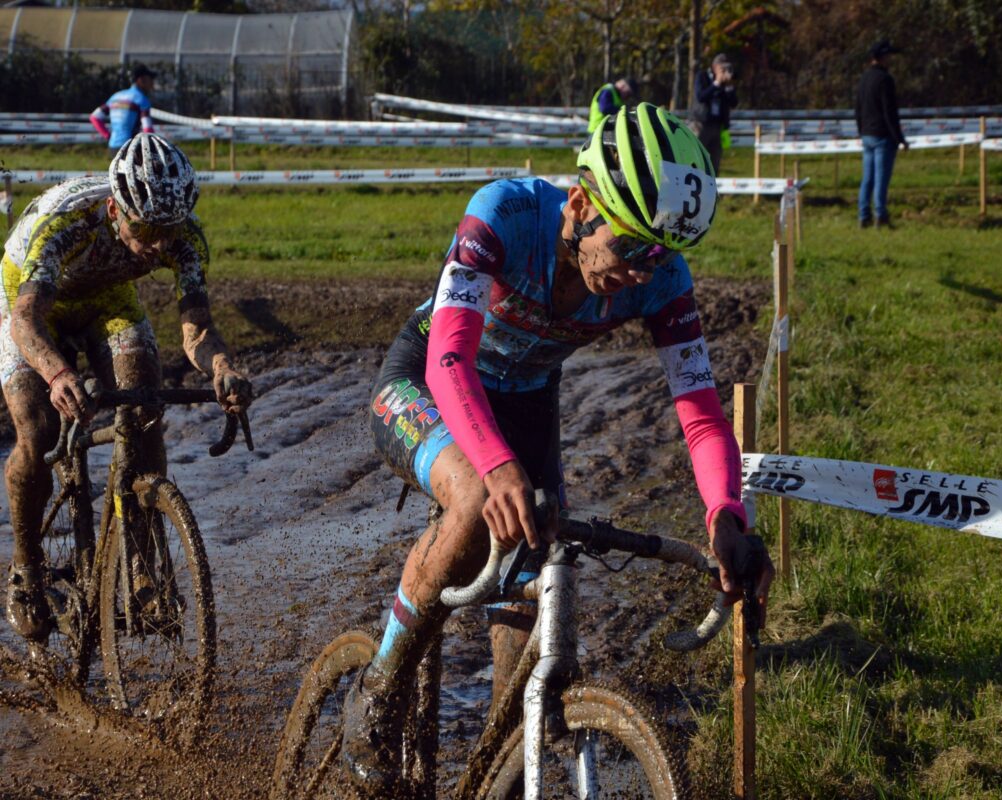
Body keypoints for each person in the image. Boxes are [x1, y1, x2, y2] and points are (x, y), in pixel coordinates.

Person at [341, 102, 775, 790]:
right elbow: (449, 360)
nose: (642, 271)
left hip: (524, 403)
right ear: (580, 202)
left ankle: (505, 755)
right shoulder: (506, 214)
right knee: (478, 498)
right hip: (428, 384)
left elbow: (698, 410)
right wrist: (495, 463)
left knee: (535, 576)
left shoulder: (659, 278)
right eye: (632, 247)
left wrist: (726, 514)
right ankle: (380, 687)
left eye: (660, 254)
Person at [2, 133, 253, 642]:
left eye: (170, 228)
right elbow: (26, 321)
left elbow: (197, 329)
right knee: (38, 426)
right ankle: (27, 570)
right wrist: (56, 373)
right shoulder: (68, 226)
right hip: (24, 304)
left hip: (107, 301)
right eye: (145, 228)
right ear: (116, 209)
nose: (159, 243)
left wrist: (222, 367)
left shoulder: (183, 241)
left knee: (145, 406)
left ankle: (142, 566)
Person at [854, 39, 908, 229]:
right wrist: (900, 138)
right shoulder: (885, 80)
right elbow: (890, 112)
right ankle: (881, 215)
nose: (891, 59)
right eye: (889, 56)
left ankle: (863, 216)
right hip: (883, 136)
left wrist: (862, 131)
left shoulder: (864, 79)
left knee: (867, 178)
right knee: (881, 179)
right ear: (883, 57)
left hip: (867, 134)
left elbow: (858, 109)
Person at [689, 53, 738, 175]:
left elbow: (733, 103)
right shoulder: (703, 76)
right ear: (715, 66)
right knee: (695, 157)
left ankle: (711, 187)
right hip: (700, 124)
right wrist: (716, 83)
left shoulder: (726, 84)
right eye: (723, 68)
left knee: (713, 163)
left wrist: (729, 87)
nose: (725, 71)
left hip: (717, 126)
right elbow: (701, 96)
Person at [90, 64, 157, 153]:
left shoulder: (116, 96)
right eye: (150, 79)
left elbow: (94, 117)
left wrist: (108, 136)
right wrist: (152, 148)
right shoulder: (141, 99)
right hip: (131, 147)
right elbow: (147, 129)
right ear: (141, 80)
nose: (152, 82)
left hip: (113, 146)